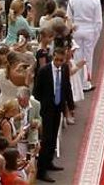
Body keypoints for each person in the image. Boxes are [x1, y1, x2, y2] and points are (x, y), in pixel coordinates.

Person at [32, 45, 72, 182]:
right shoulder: (44, 71)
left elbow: (67, 87)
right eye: (57, 59)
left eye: (61, 60)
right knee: (46, 139)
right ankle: (41, 171)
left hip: (58, 107)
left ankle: (49, 162)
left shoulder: (65, 69)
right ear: (53, 57)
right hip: (46, 109)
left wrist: (70, 106)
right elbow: (37, 91)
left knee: (54, 136)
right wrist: (39, 109)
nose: (59, 63)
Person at [66, 0, 102, 93]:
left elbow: (69, 17)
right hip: (89, 30)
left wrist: (70, 31)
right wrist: (96, 36)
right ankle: (85, 83)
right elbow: (98, 22)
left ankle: (76, 83)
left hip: (76, 29)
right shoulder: (95, 0)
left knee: (77, 56)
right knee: (87, 57)